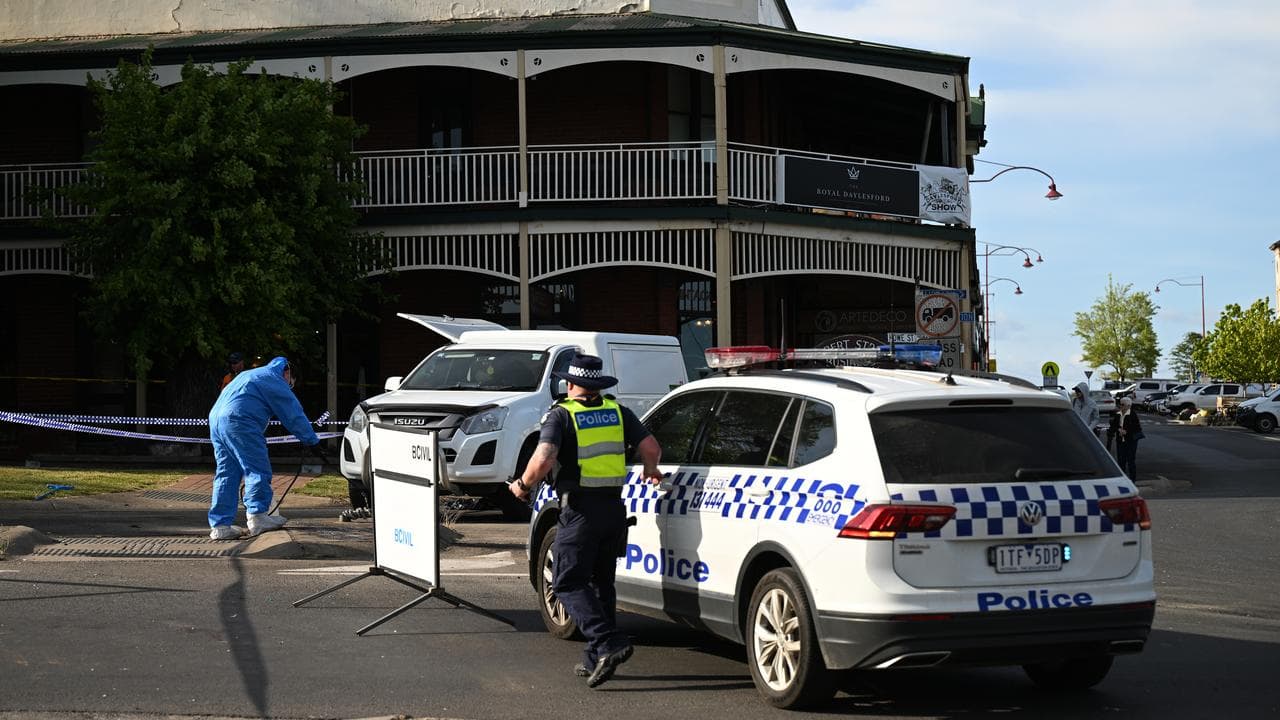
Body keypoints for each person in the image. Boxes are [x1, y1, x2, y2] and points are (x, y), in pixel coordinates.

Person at [508, 353, 663, 688]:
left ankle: (609, 642)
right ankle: (597, 657)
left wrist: (522, 485)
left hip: (579, 512)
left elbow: (545, 457)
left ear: (570, 383)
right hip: (613, 511)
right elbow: (650, 446)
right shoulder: (617, 412)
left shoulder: (561, 415)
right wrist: (651, 470)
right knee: (600, 584)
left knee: (566, 582)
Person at [208, 356, 320, 540]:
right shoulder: (273, 378)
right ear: (287, 372)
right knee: (257, 468)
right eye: (290, 383)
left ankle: (220, 526)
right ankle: (258, 517)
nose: (289, 386)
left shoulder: (249, 374)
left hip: (217, 421)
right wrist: (311, 440)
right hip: (241, 421)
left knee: (226, 473)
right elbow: (292, 413)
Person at [1109, 395, 1143, 480]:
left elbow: (1137, 428)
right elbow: (1114, 426)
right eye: (1120, 404)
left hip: (1131, 441)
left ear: (1129, 406)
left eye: (1123, 404)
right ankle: (1122, 480)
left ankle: (1132, 480)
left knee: (1131, 460)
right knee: (1121, 461)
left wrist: (1126, 432)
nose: (1120, 406)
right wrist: (1118, 430)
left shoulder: (1133, 414)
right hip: (1120, 441)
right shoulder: (1118, 414)